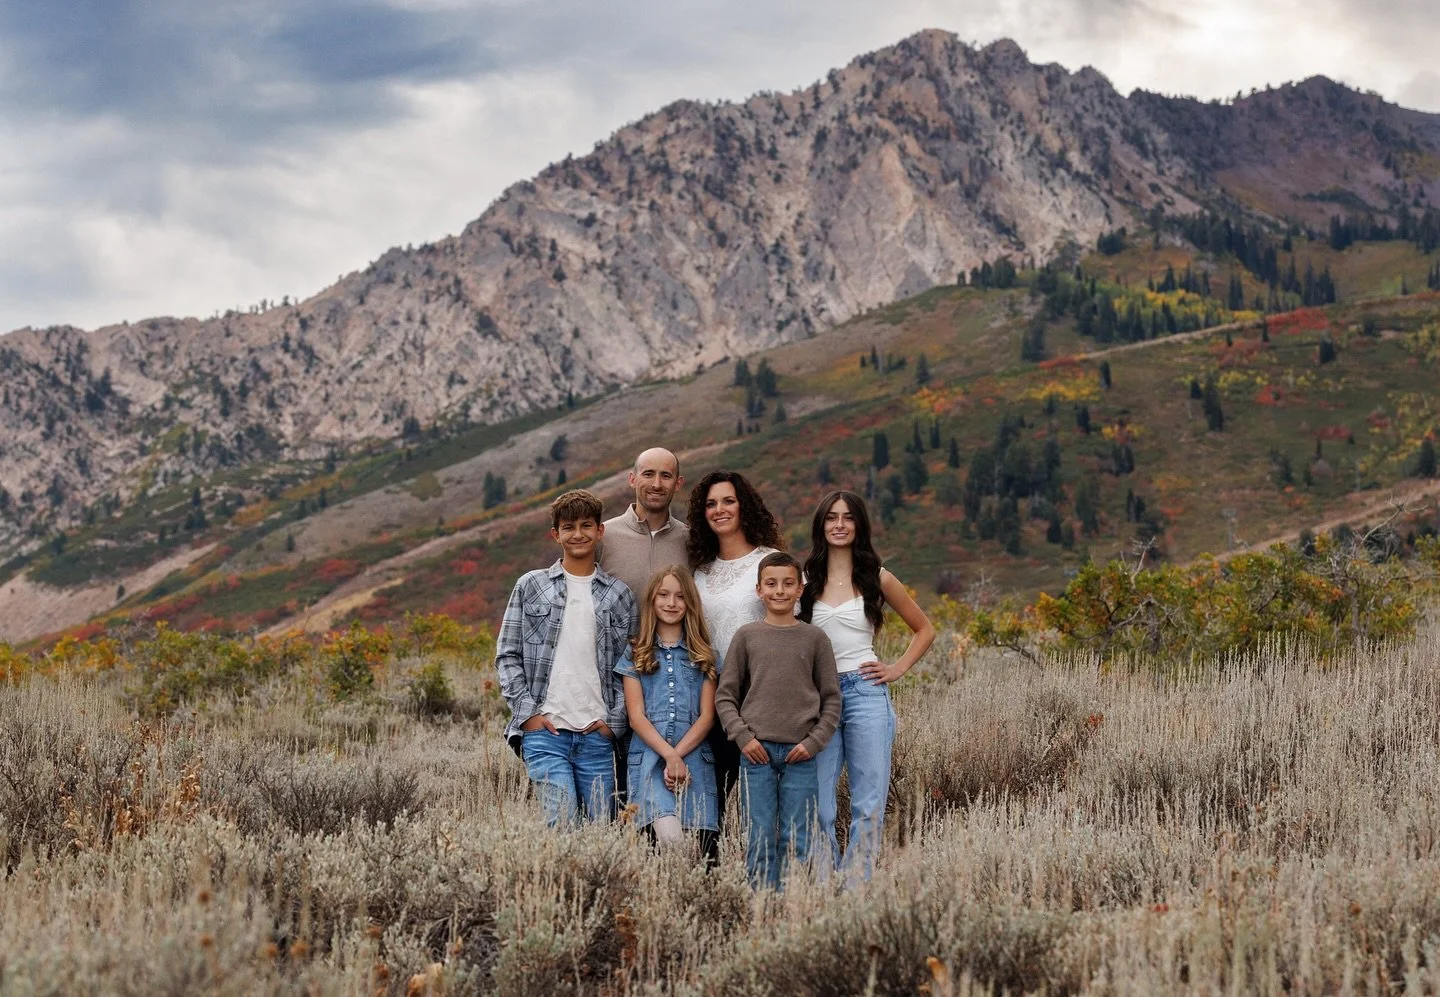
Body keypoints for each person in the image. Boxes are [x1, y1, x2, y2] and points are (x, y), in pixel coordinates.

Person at [799, 490, 934, 883]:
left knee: (868, 802)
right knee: (818, 803)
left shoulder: (879, 578)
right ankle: (823, 885)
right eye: (831, 517)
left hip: (866, 694)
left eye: (848, 517)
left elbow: (925, 630)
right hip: (819, 699)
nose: (839, 525)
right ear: (820, 525)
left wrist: (896, 669)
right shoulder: (805, 580)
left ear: (859, 525)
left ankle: (856, 889)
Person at [496, 489, 638, 827]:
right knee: (562, 822)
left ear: (600, 531)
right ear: (555, 534)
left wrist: (614, 723)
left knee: (601, 830)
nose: (578, 534)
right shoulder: (531, 586)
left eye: (586, 525)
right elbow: (507, 654)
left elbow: (631, 667)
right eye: (569, 527)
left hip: (598, 737)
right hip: (546, 733)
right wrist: (529, 714)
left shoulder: (619, 595)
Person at [715, 551, 841, 890]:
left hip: (801, 755)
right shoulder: (747, 637)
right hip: (756, 755)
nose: (779, 591)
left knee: (798, 837)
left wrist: (813, 743)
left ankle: (790, 904)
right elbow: (725, 696)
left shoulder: (814, 639)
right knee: (758, 833)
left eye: (788, 584)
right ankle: (762, 904)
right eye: (771, 584)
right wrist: (744, 738)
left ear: (800, 589)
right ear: (759, 590)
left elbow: (831, 699)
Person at [686, 469, 785, 823]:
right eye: (711, 504)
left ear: (745, 506)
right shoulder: (700, 572)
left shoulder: (769, 562)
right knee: (710, 795)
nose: (720, 510)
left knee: (758, 802)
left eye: (728, 501)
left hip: (758, 697)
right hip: (709, 697)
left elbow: (796, 628)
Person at [614, 565, 719, 857]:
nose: (671, 603)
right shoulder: (636, 653)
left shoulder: (704, 655)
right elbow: (636, 717)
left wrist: (679, 756)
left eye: (680, 596)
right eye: (663, 595)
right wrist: (670, 756)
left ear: (690, 603)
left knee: (699, 850)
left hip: (695, 760)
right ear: (652, 599)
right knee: (671, 838)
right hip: (650, 759)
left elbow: (707, 716)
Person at [600, 447, 689, 599]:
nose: (657, 485)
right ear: (632, 479)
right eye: (648, 474)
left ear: (678, 483)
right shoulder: (603, 536)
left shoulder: (690, 540)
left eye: (666, 476)